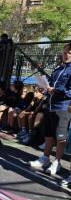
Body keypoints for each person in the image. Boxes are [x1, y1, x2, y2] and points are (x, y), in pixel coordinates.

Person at [30, 43, 71, 175]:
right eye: (65, 52)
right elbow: (50, 87)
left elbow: (69, 91)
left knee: (61, 137)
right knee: (48, 135)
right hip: (51, 106)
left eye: (69, 53)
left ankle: (57, 162)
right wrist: (45, 89)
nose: (66, 55)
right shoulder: (57, 70)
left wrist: (56, 90)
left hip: (63, 107)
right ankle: (45, 158)